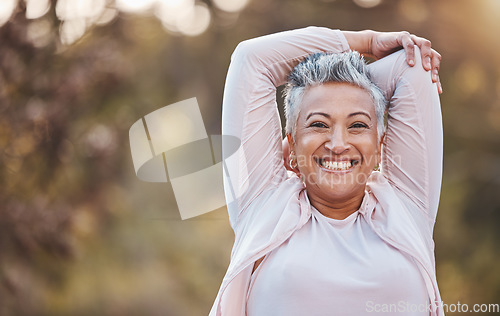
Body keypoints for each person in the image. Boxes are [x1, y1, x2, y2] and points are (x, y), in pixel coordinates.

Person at [211, 26, 444, 316]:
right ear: (291, 144)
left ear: (381, 145)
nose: (338, 144)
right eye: (318, 125)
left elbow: (412, 68)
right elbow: (250, 59)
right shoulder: (261, 206)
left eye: (358, 125)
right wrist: (366, 42)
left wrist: (357, 79)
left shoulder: (408, 207)